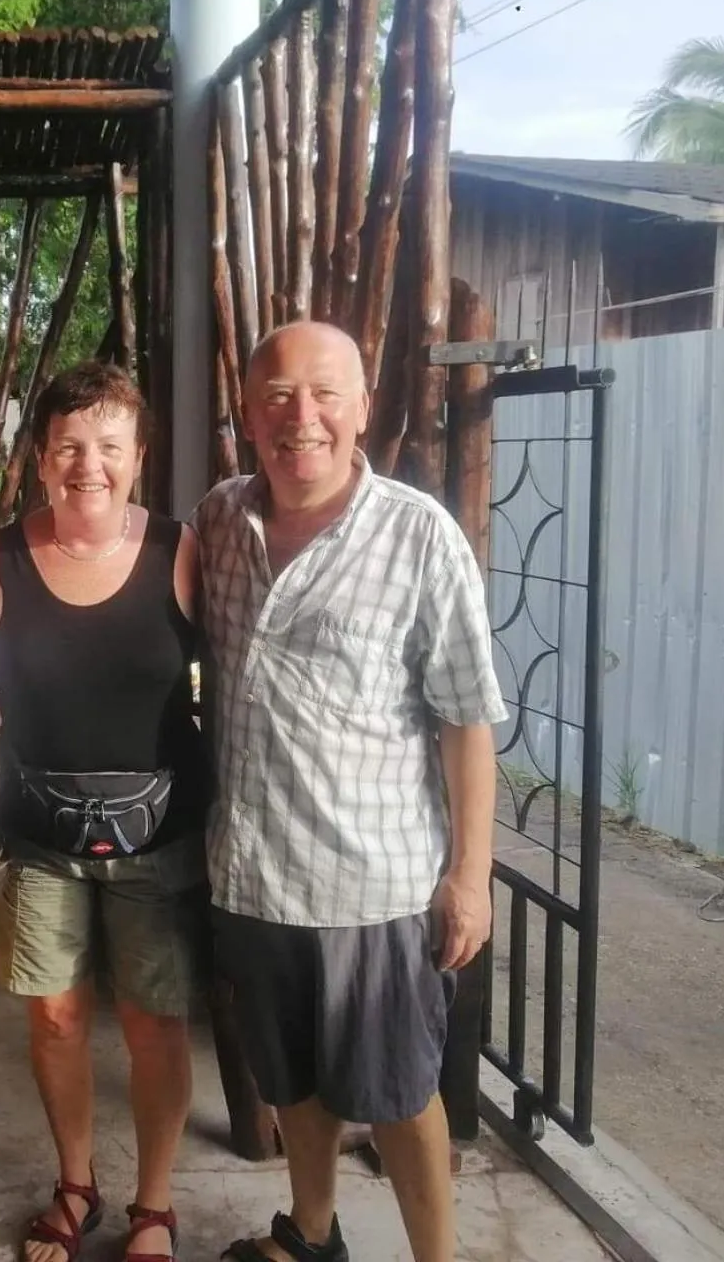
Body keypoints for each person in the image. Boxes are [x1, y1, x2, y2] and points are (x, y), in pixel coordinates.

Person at [195, 322, 506, 1262]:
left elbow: (467, 720)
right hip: (252, 875)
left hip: (374, 886)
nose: (303, 417)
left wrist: (470, 875)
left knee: (404, 1094)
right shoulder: (219, 521)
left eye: (326, 393)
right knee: (290, 1080)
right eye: (279, 396)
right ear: (249, 415)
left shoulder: (419, 536)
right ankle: (311, 1233)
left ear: (364, 407)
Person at [0, 361, 207, 1262]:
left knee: (154, 1022)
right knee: (56, 1019)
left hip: (161, 833)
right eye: (69, 445)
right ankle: (76, 1185)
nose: (88, 465)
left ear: (137, 456)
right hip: (39, 836)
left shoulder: (181, 552)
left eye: (109, 445)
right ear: (40, 457)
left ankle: (155, 1204)